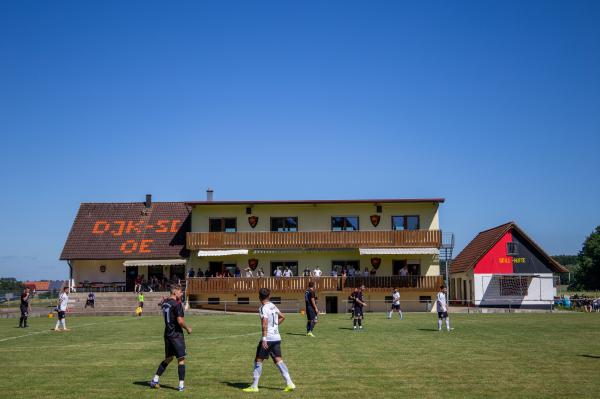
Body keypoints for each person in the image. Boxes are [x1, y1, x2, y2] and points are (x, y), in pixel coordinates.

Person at [242, 288, 295, 392]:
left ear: (259, 297)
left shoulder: (263, 308)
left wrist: (265, 338)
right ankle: (290, 383)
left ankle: (254, 386)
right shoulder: (273, 305)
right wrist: (274, 326)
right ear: (269, 296)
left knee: (258, 360)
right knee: (278, 360)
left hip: (268, 338)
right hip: (276, 337)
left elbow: (264, 323)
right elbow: (283, 317)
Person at [150, 284, 192, 391]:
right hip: (176, 335)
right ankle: (181, 386)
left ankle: (155, 380)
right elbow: (180, 321)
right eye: (180, 291)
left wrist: (164, 300)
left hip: (167, 334)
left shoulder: (166, 303)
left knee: (169, 358)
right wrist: (188, 328)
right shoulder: (177, 304)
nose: (181, 293)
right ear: (175, 291)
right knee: (181, 359)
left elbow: (162, 304)